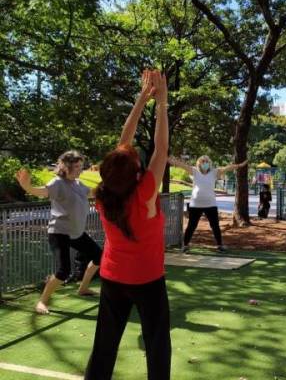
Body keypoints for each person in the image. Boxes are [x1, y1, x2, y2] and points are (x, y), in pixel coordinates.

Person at [85, 69, 171, 379]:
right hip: (147, 281)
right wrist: (160, 103)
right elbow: (161, 151)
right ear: (137, 172)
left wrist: (142, 99)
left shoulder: (104, 194)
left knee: (105, 346)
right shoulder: (145, 191)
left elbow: (124, 142)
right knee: (157, 345)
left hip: (112, 279)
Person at [15, 151, 102, 314]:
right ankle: (41, 301)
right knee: (63, 272)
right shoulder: (58, 183)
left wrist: (110, 181)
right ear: (66, 167)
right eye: (76, 167)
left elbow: (92, 193)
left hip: (76, 233)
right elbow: (41, 192)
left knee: (99, 256)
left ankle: (83, 289)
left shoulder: (78, 184)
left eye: (81, 167)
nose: (80, 170)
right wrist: (27, 186)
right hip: (59, 233)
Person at [169, 155, 248, 253]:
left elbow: (228, 168)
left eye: (206, 161)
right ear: (199, 163)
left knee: (215, 226)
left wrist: (240, 165)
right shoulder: (194, 171)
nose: (205, 163)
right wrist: (171, 160)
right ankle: (185, 246)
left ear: (209, 163)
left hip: (211, 204)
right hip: (195, 205)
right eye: (203, 161)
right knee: (191, 226)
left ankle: (220, 245)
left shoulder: (214, 172)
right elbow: (182, 165)